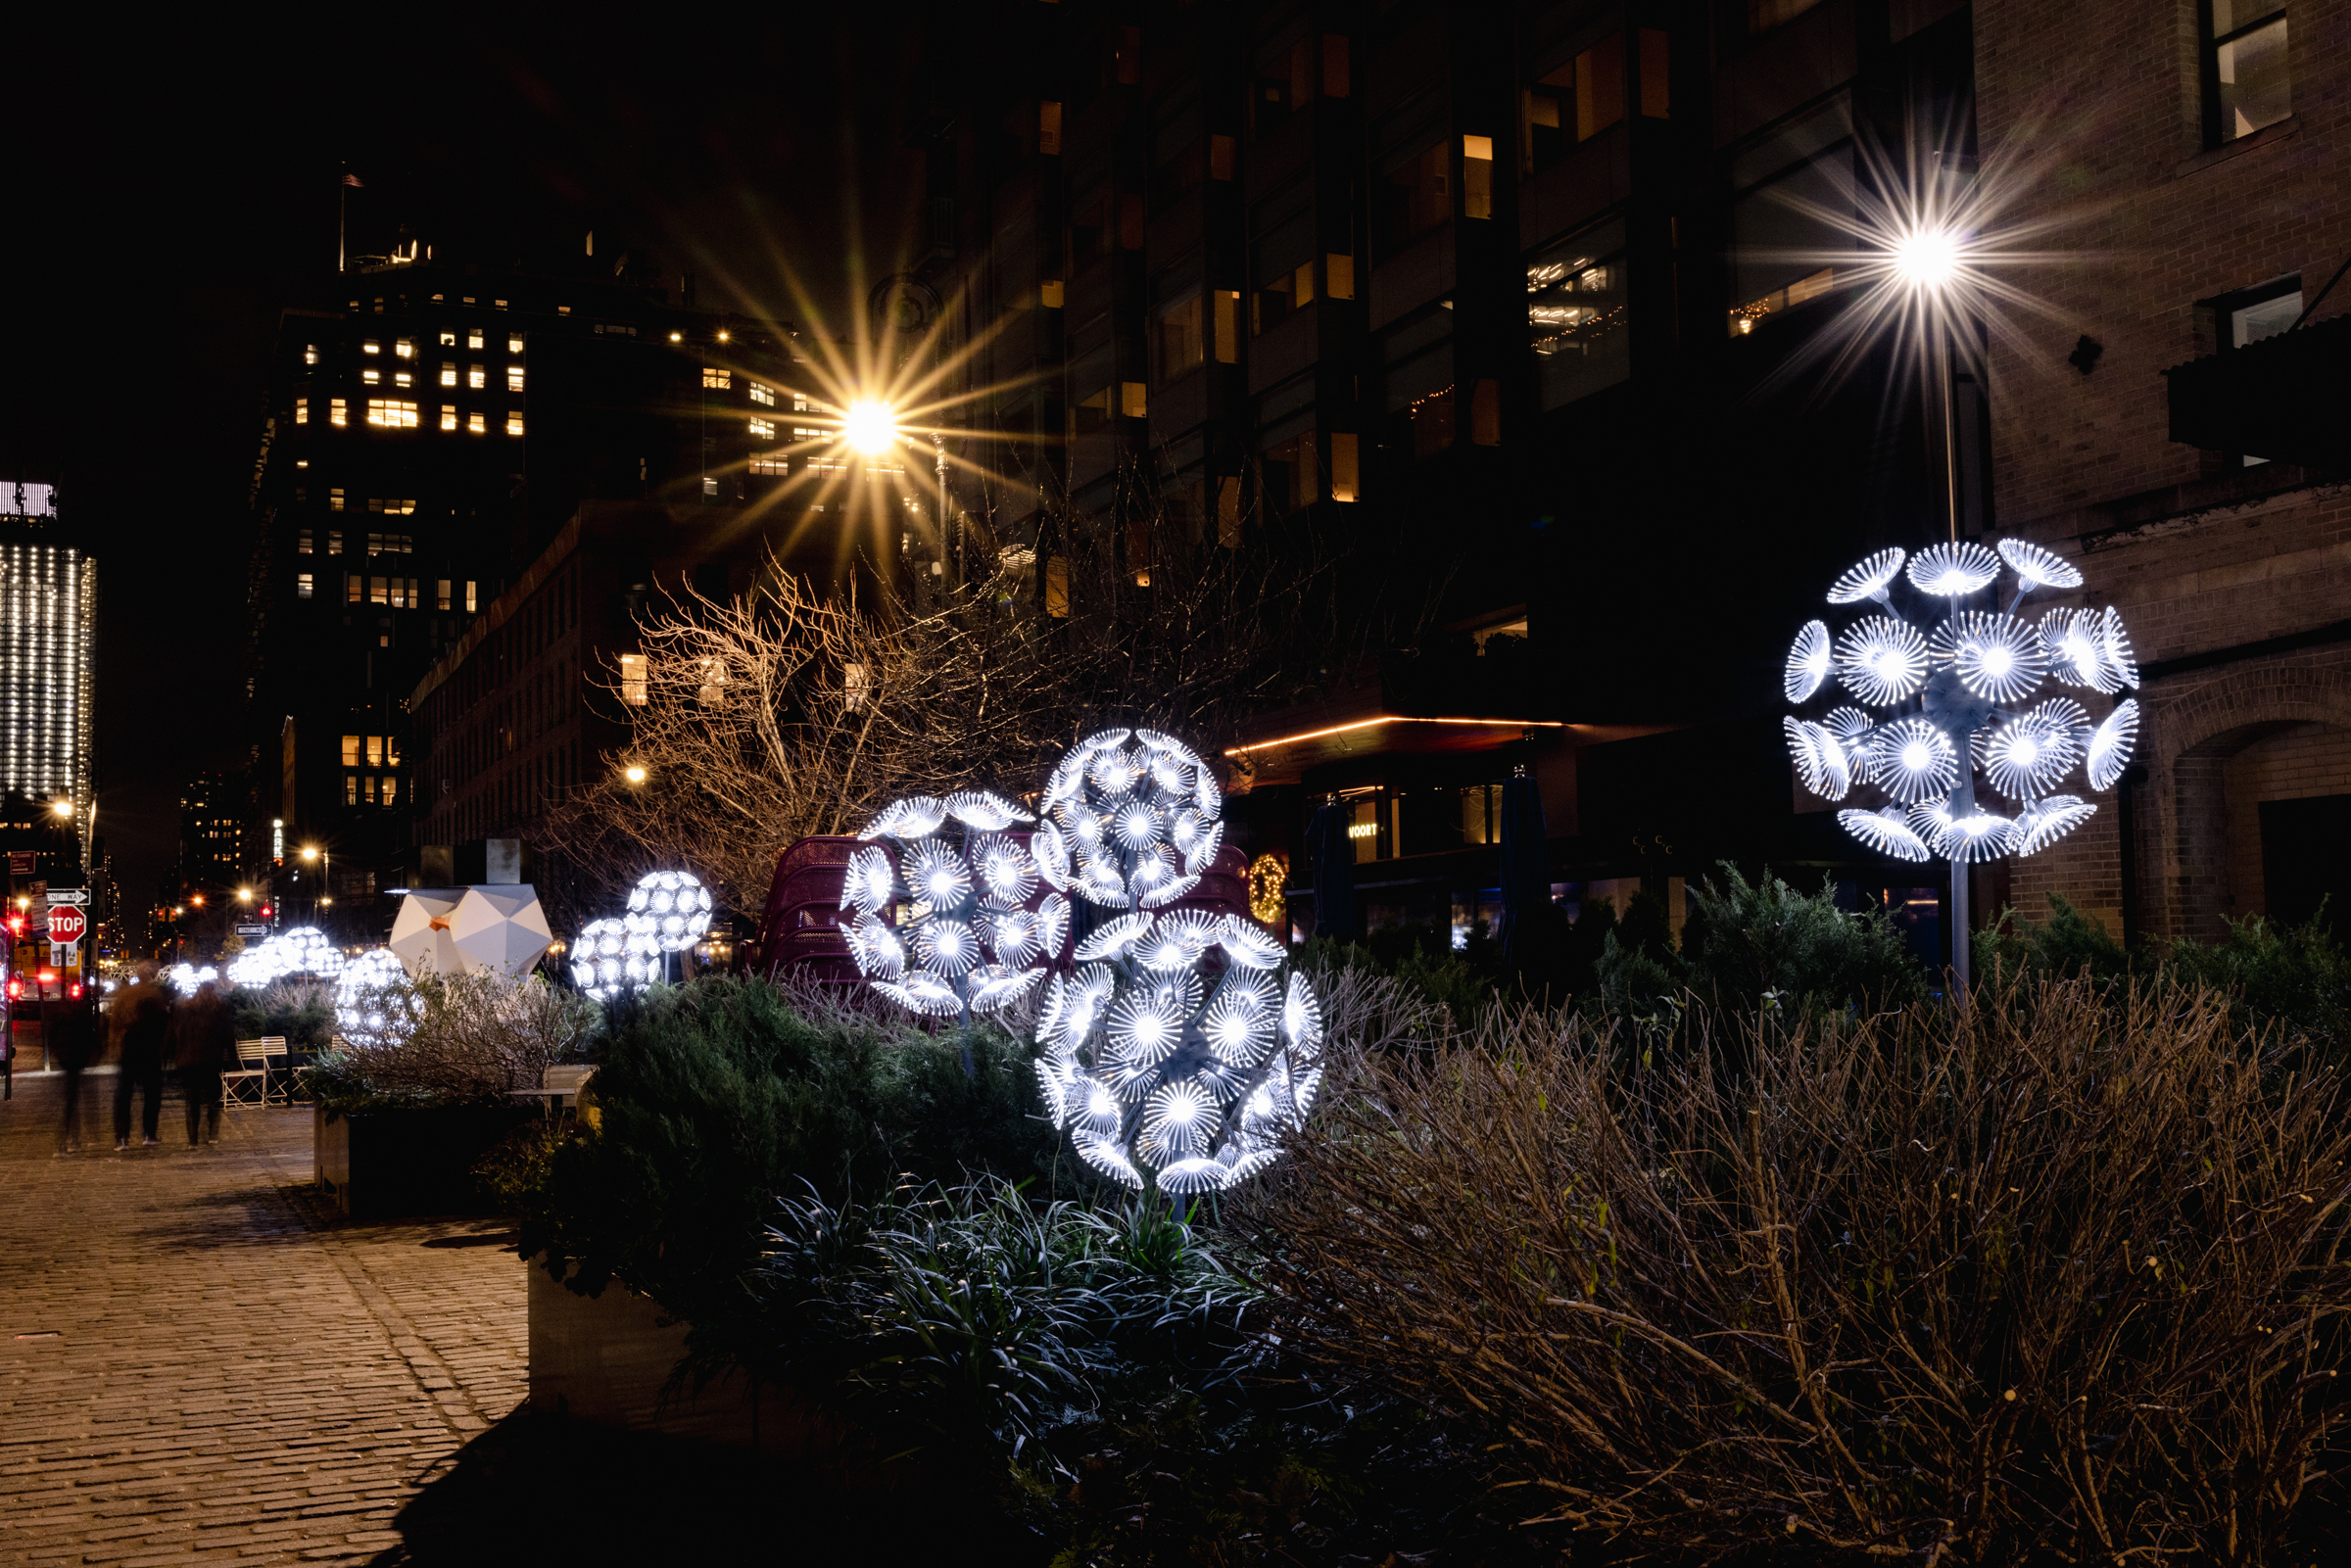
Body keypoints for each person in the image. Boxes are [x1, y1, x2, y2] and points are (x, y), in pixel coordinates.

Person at [169, 979, 237, 1147]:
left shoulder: (185, 1010)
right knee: (214, 1098)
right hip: (211, 1060)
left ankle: (193, 1138)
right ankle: (211, 1133)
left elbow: (177, 1034)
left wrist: (175, 1057)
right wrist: (234, 1060)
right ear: (213, 992)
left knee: (192, 1100)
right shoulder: (219, 1010)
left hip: (189, 1061)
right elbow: (228, 1036)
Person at [112, 967, 170, 1151]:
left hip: (130, 1051)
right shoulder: (156, 997)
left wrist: (116, 1047)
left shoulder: (126, 995)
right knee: (151, 1095)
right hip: (150, 1052)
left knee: (124, 1096)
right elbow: (165, 1029)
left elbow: (115, 1023)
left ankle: (122, 1137)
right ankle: (149, 1134)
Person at [47, 987, 101, 1154]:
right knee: (78, 1099)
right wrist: (93, 1054)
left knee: (71, 1099)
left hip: (65, 1058)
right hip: (78, 1058)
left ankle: (69, 1138)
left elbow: (52, 1033)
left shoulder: (62, 1011)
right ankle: (74, 1138)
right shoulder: (84, 1013)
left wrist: (56, 1051)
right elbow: (89, 1036)